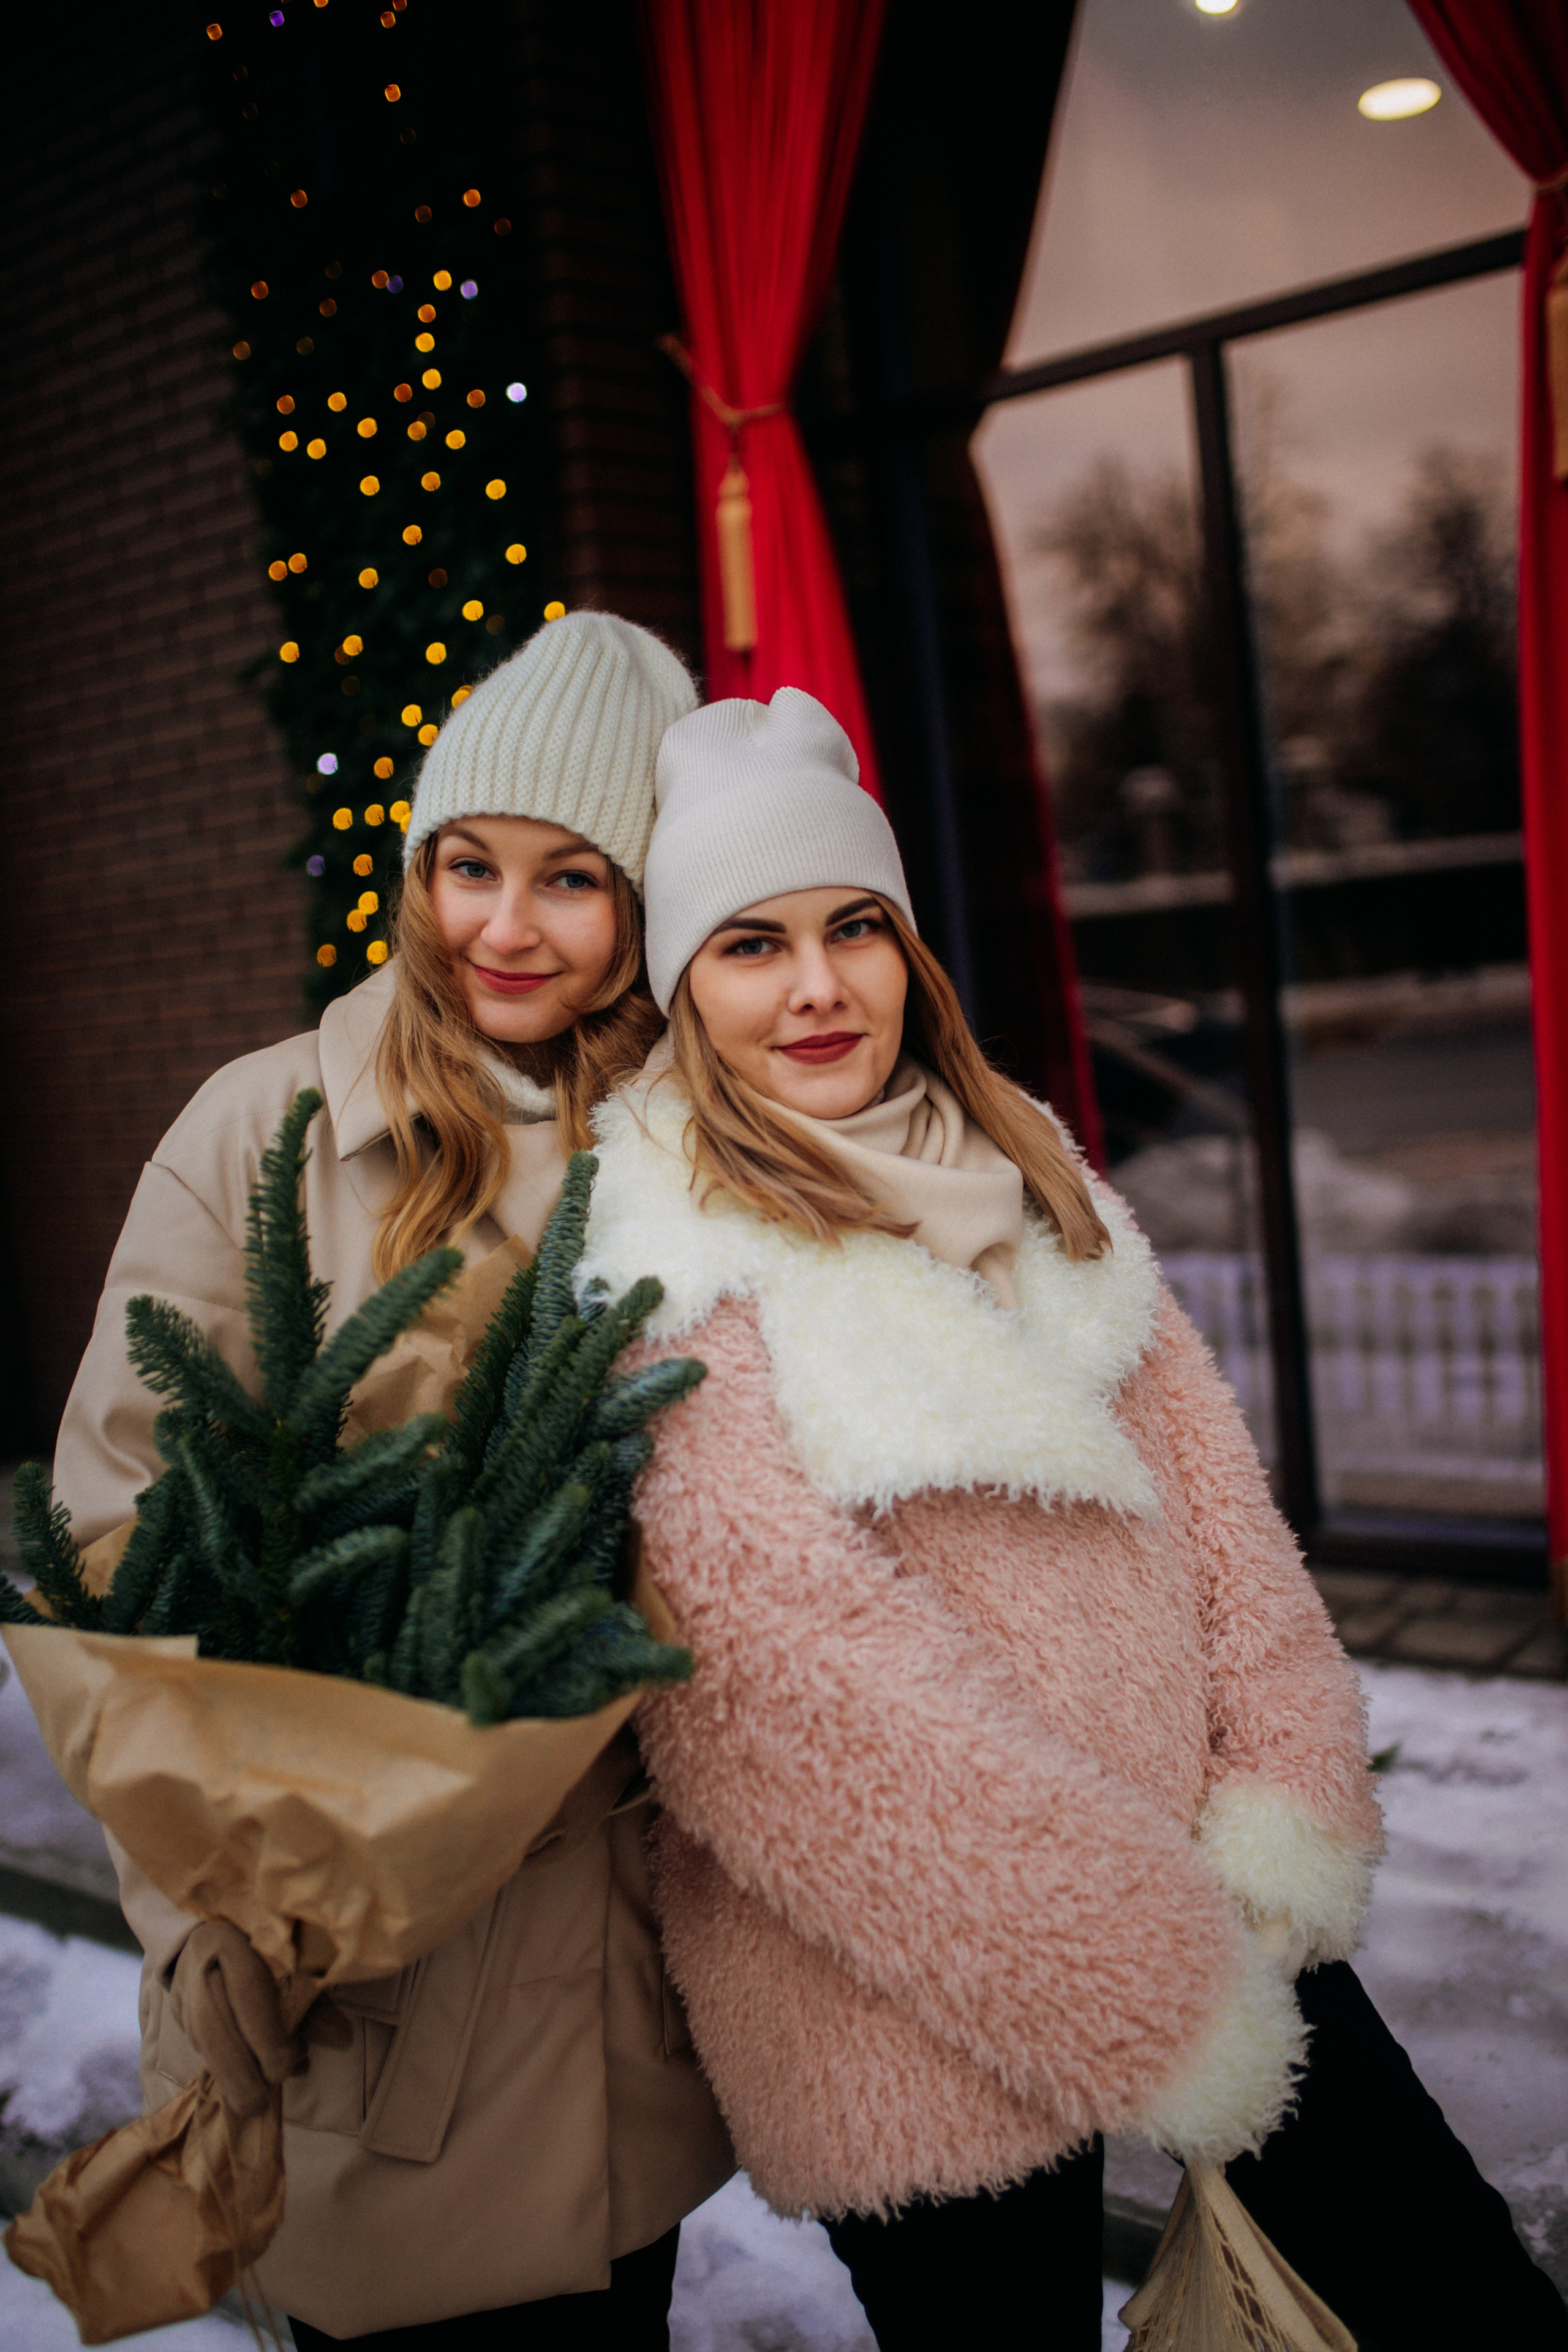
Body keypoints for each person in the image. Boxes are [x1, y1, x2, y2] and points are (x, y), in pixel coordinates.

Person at [572, 685, 1568, 2352]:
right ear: (683, 989)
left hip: (1214, 1893)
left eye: (855, 929)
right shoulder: (670, 1275)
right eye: (750, 945)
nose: (819, 988)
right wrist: (1155, 1986)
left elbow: (1238, 1549)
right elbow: (795, 1727)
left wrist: (1282, 1817)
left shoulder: (1032, 1178)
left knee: (1459, 2291)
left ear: (914, 954)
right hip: (902, 1989)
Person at [51, 612, 734, 2346]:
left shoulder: (705, 1153)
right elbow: (123, 1539)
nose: (503, 927)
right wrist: (240, 1914)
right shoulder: (259, 1132)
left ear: (649, 907)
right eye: (468, 866)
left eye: (572, 880)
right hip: (364, 1981)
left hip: (633, 2011)